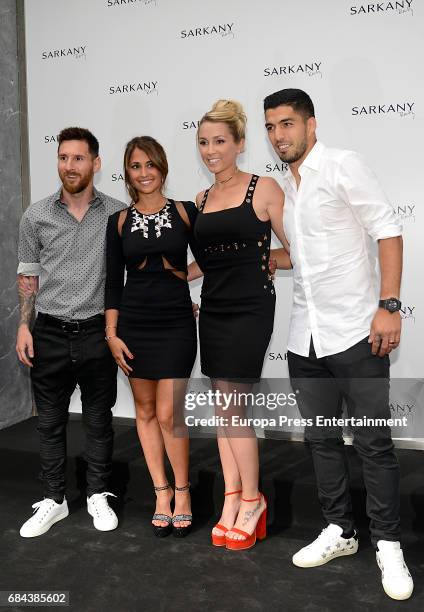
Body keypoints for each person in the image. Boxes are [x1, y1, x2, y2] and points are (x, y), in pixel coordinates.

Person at [264, 88, 413, 601]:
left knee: (373, 443)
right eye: (271, 127)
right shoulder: (284, 185)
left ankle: (389, 544)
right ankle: (340, 530)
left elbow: (388, 232)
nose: (278, 135)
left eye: (287, 124)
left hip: (355, 332)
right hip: (305, 337)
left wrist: (389, 306)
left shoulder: (344, 166)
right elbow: (304, 257)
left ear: (311, 125)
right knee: (322, 440)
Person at [189, 100, 291, 551]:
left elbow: (297, 250)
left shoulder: (264, 188)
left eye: (220, 142)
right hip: (212, 309)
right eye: (204, 143)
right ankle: (232, 498)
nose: (211, 151)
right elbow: (206, 261)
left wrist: (266, 260)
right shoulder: (200, 199)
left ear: (240, 144)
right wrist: (174, 277)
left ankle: (253, 500)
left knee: (233, 408)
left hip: (250, 311)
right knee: (220, 407)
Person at [16, 127, 124, 537]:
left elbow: (134, 273)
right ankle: (54, 499)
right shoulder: (36, 214)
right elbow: (29, 274)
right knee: (49, 422)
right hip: (49, 332)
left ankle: (98, 492)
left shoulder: (117, 213)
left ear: (95, 164)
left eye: (78, 158)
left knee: (98, 418)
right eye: (63, 157)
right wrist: (24, 325)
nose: (69, 166)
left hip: (99, 331)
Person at [105, 136, 198, 537]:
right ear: (127, 172)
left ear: (162, 167)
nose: (144, 173)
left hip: (176, 324)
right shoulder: (119, 221)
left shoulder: (185, 212)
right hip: (134, 325)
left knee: (168, 414)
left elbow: (212, 260)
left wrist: (186, 279)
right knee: (144, 412)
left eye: (150, 165)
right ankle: (162, 494)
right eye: (135, 166)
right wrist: (111, 333)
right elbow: (112, 283)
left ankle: (184, 491)